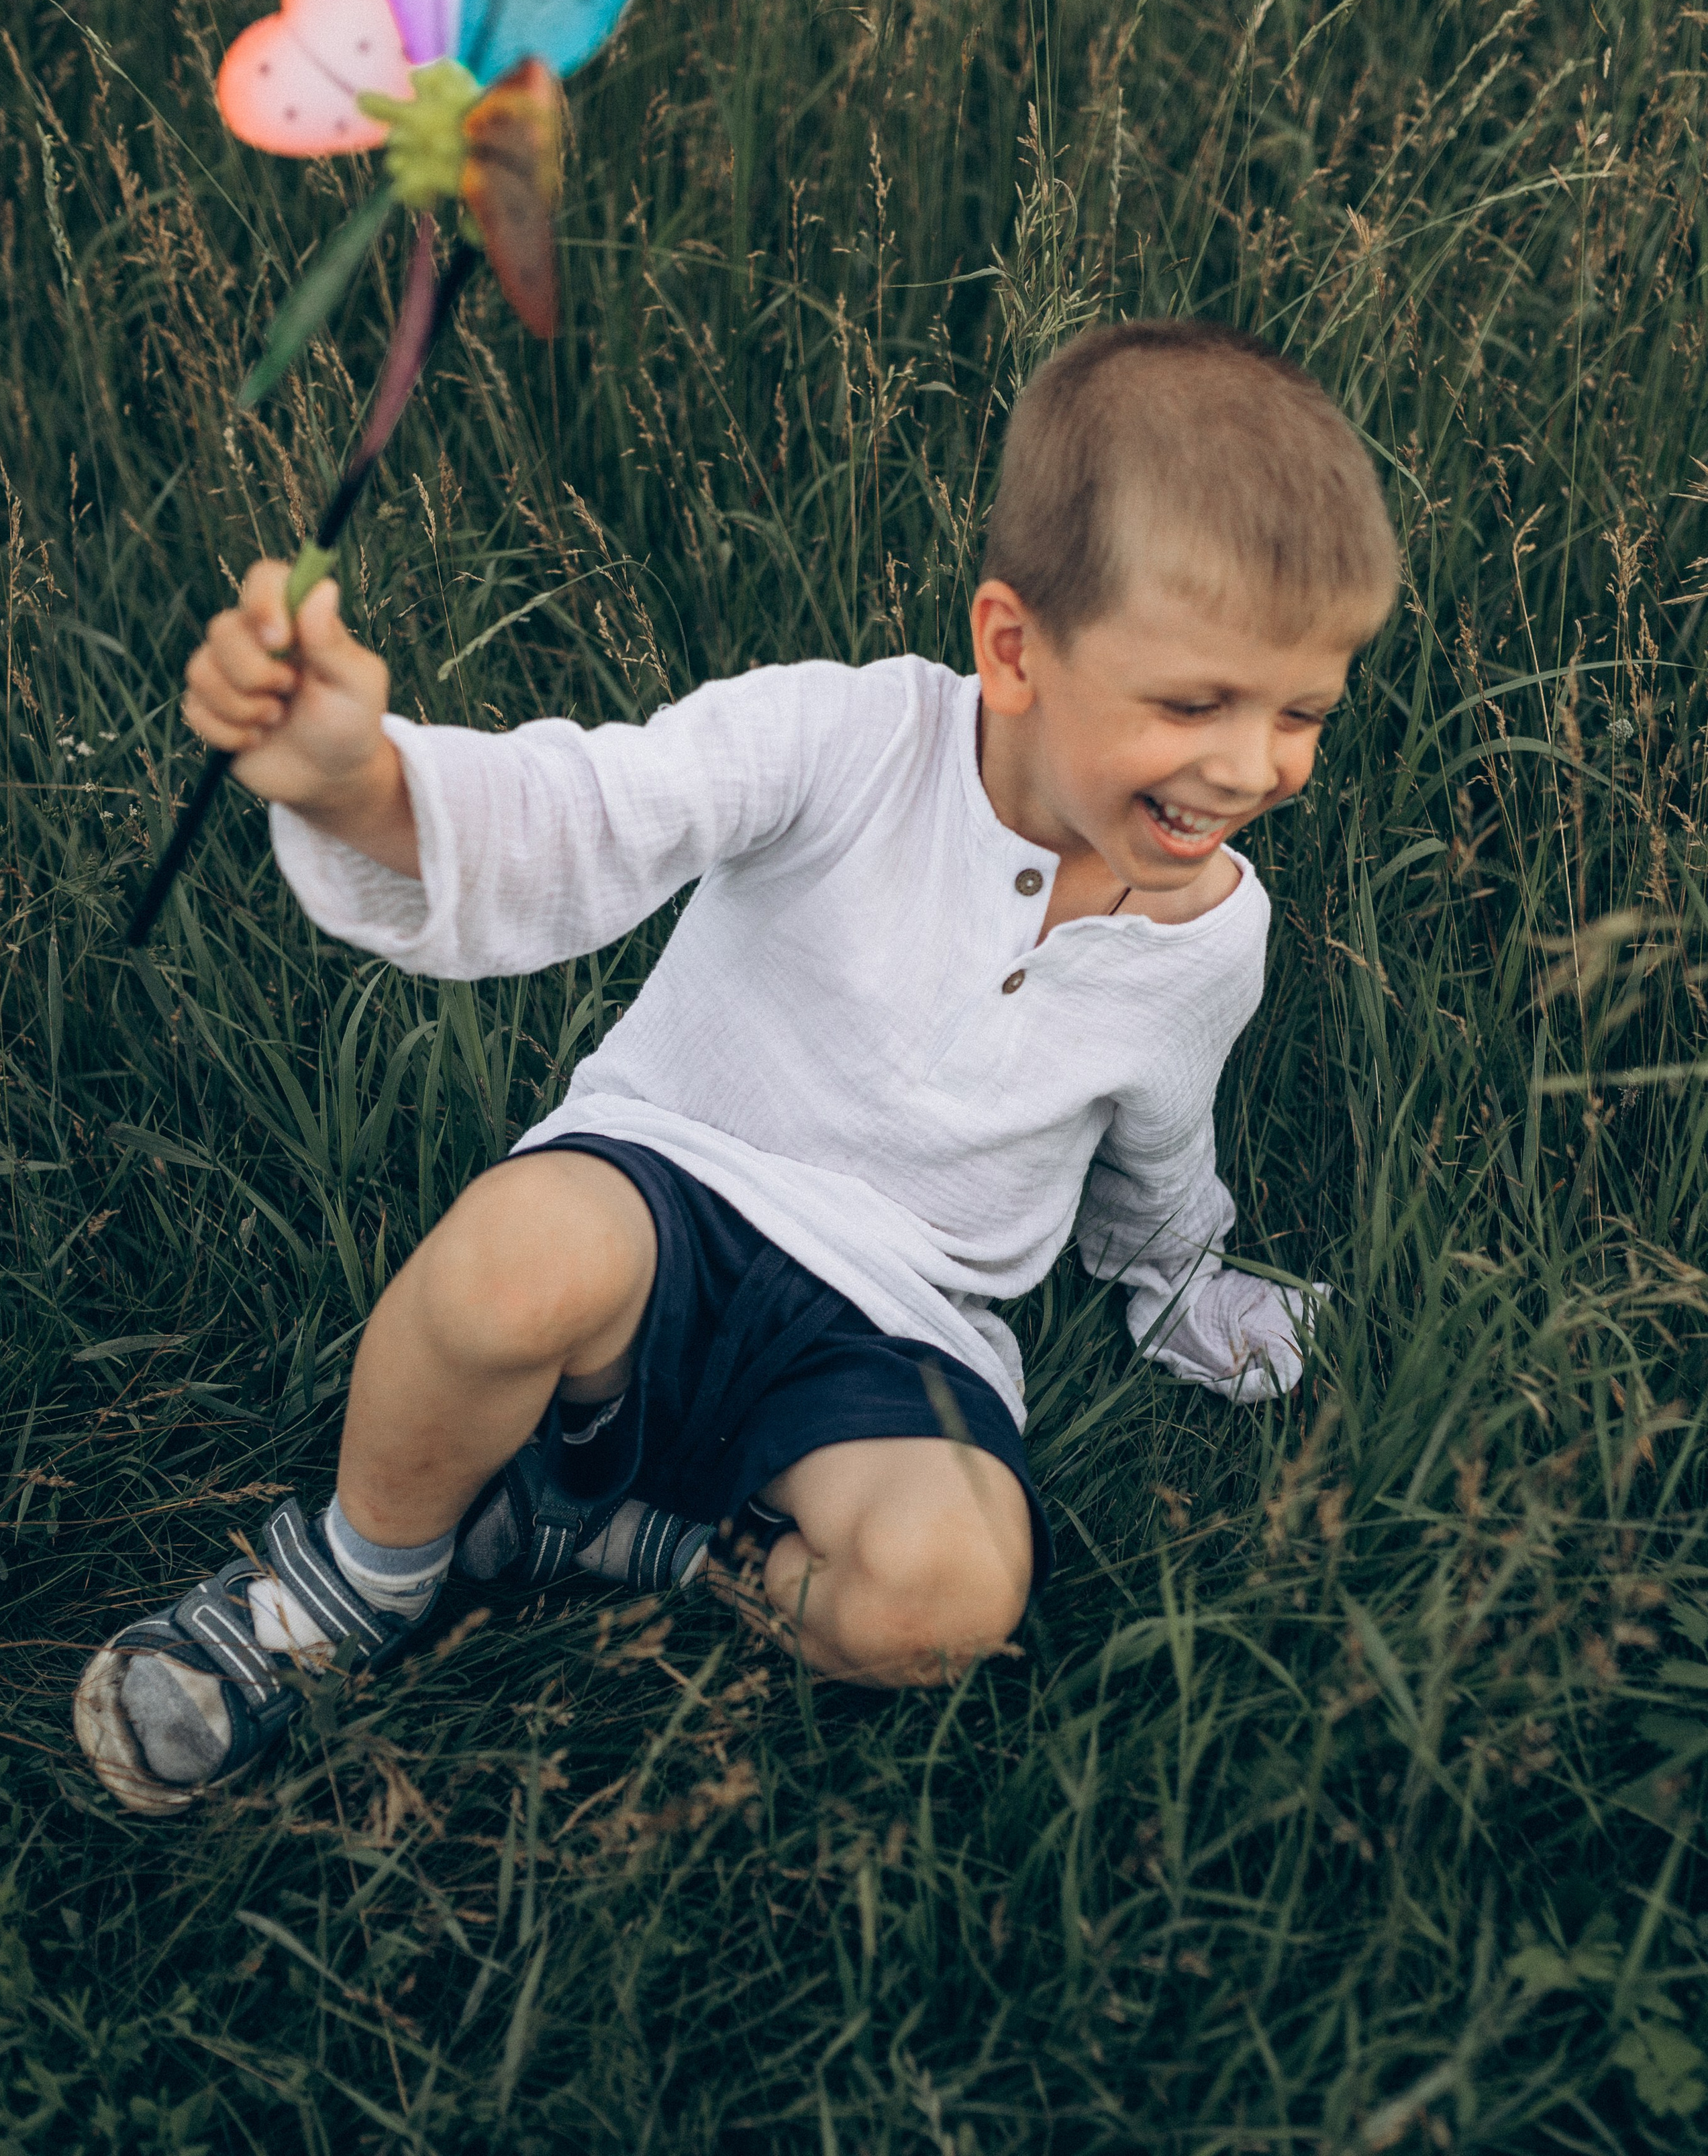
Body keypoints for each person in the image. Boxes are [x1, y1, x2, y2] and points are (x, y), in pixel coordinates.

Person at [76, 319, 1399, 1814]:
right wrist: (360, 780)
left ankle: (624, 1539)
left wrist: (1183, 1277)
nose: (1248, 769)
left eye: (1299, 715)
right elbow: (588, 809)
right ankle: (348, 1588)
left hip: (902, 1327)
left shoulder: (1215, 933)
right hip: (664, 1197)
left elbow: (1161, 1134)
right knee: (510, 1264)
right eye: (1193, 704)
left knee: (944, 1599)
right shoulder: (846, 742)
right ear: (1015, 647)